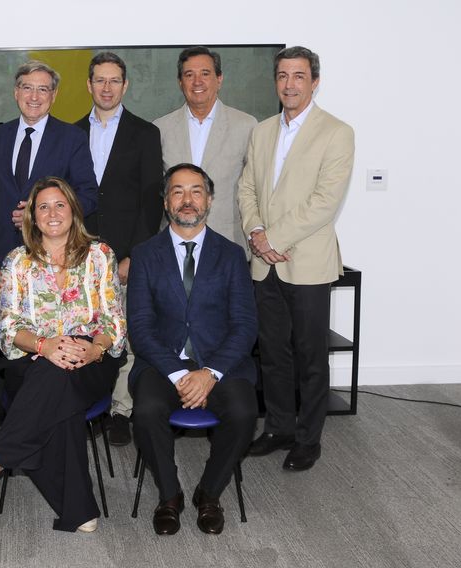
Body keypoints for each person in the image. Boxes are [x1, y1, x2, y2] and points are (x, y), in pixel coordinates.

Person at [0, 176, 125, 533]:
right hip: (31, 357)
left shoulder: (101, 255)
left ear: (73, 210)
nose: (52, 213)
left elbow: (114, 321)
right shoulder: (16, 262)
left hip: (92, 359)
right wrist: (45, 346)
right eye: (43, 207)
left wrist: (94, 348)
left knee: (60, 377)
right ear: (32, 218)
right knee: (56, 384)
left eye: (60, 205)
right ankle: (78, 509)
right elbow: (6, 327)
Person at [237, 46, 355, 471]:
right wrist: (255, 234)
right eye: (283, 76)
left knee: (309, 354)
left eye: (299, 76)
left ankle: (308, 438)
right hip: (264, 261)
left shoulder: (337, 132)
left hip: (305, 261)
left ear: (314, 81)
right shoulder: (262, 130)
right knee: (272, 353)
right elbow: (246, 187)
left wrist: (272, 237)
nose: (289, 84)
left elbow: (324, 202)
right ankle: (279, 428)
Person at [128, 163, 258, 535]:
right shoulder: (145, 254)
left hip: (221, 363)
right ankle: (169, 496)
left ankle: (209, 492)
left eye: (196, 191)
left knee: (245, 411)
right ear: (166, 201)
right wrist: (181, 373)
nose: (188, 200)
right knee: (147, 410)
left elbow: (245, 325)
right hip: (162, 362)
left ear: (210, 199)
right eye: (178, 191)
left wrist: (210, 372)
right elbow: (140, 325)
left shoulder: (232, 255)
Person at [73, 52, 162, 446]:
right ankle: (84, 403)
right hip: (78, 255)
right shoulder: (71, 132)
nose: (106, 88)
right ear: (89, 85)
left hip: (125, 255)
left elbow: (151, 201)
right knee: (82, 330)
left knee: (121, 333)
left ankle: (119, 411)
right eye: (99, 80)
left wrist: (134, 255)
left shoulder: (145, 133)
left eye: (114, 81)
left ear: (125, 86)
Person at [0, 61, 98, 279]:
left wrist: (38, 213)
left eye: (43, 89)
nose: (34, 97)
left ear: (54, 95)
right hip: (5, 259)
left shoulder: (72, 138)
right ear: (16, 92)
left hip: (57, 259)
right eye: (27, 88)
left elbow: (89, 196)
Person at [154, 46, 256, 250]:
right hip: (172, 246)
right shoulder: (160, 129)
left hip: (228, 244)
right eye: (189, 75)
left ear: (219, 79)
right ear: (180, 82)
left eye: (205, 74)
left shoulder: (247, 126)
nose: (197, 81)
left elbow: (254, 189)